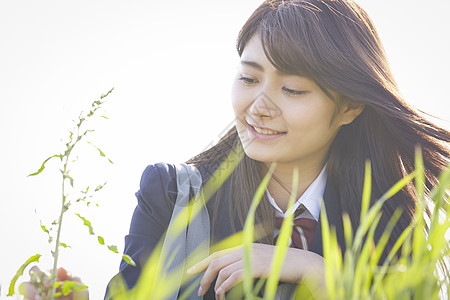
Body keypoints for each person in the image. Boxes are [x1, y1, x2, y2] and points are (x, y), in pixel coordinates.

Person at [21, 0, 450, 299]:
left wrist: (316, 273)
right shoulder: (173, 196)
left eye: (293, 89)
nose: (259, 107)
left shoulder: (391, 216)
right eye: (248, 79)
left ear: (350, 106)